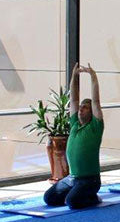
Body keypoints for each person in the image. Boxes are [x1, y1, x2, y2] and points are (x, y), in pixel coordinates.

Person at [44, 62, 105, 209]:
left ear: (92, 112)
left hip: (90, 180)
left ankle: (92, 197)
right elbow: (73, 99)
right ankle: (76, 193)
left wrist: (93, 75)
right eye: (81, 107)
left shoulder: (95, 126)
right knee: (49, 198)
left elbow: (96, 101)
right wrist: (73, 76)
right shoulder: (75, 125)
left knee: (72, 202)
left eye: (85, 108)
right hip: (72, 179)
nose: (80, 109)